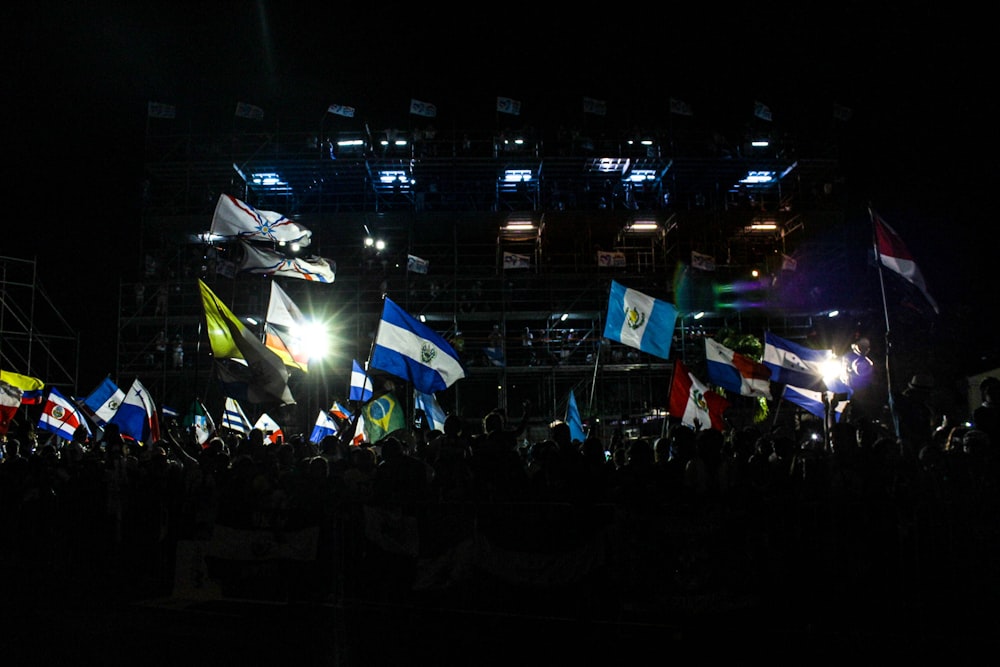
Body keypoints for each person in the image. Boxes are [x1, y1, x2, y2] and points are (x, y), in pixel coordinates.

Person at [842, 336, 878, 422]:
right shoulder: (848, 358)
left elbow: (862, 369)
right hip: (856, 394)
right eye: (861, 346)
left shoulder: (866, 361)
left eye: (865, 347)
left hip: (863, 397)